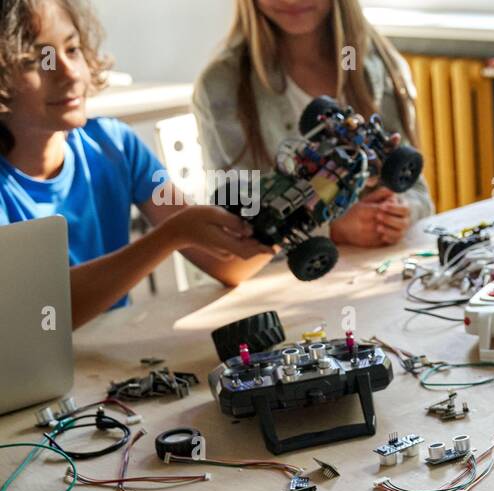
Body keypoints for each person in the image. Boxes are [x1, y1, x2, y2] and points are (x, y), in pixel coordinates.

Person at [0, 0, 269, 329]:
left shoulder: (116, 145)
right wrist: (171, 236)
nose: (68, 73)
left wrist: (308, 200)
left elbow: (226, 262)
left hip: (115, 360)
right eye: (36, 60)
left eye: (72, 49)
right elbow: (38, 317)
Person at [193, 0, 433, 250]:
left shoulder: (375, 65)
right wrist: (331, 228)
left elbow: (416, 191)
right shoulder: (223, 86)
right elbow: (233, 222)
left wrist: (399, 212)